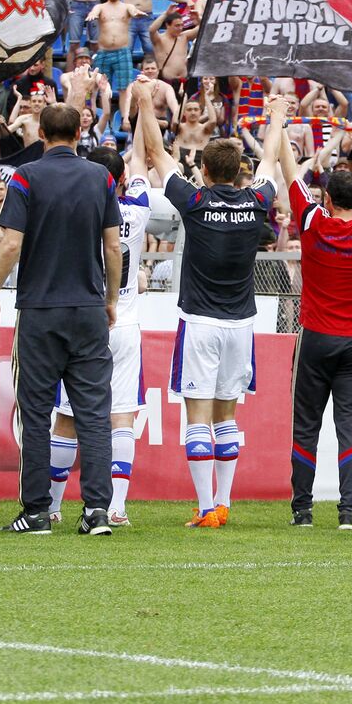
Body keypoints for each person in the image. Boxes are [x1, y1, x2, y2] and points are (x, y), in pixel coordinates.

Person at [134, 74, 286, 528]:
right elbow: (272, 161)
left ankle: (204, 508)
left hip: (200, 322)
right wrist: (276, 117)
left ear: (203, 170)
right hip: (242, 324)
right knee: (227, 416)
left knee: (197, 416)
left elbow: (157, 153)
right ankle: (224, 502)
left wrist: (145, 101)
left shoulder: (194, 200)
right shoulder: (256, 200)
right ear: (239, 170)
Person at [0, 104, 121, 537]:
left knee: (36, 413)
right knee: (95, 414)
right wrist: (111, 298)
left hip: (40, 311)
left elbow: (10, 244)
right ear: (80, 132)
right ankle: (98, 511)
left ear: (41, 132)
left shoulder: (27, 176)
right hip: (87, 308)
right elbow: (113, 247)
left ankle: (38, 511)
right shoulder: (101, 177)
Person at [279, 125, 352, 531]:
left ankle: (302, 511)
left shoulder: (312, 222)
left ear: (326, 198)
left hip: (314, 339)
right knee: (349, 426)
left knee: (306, 425)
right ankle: (349, 513)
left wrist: (278, 121)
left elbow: (289, 170)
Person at [47, 144, 152, 528]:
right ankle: (116, 507)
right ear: (121, 178)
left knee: (68, 418)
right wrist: (141, 105)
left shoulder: (76, 211)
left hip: (86, 319)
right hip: (124, 322)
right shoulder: (137, 210)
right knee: (121, 415)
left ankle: (53, 505)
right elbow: (141, 160)